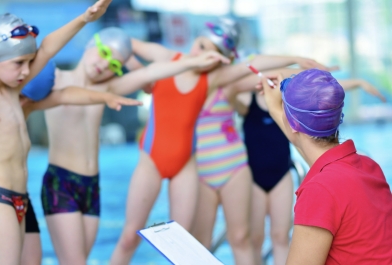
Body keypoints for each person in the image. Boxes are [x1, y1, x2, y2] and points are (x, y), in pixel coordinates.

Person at [111, 17, 335, 264]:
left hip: (219, 165)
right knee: (186, 242)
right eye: (200, 45)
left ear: (221, 59)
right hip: (186, 166)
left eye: (211, 51)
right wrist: (138, 72)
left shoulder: (218, 81)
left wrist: (297, 61)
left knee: (229, 237)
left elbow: (254, 66)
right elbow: (123, 43)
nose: (200, 53)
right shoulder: (169, 61)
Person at [29, 27, 229, 265]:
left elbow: (152, 72)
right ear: (89, 45)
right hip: (60, 183)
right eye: (102, 53)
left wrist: (192, 62)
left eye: (114, 64)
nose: (104, 65)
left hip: (91, 186)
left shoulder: (107, 88)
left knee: (79, 259)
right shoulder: (54, 79)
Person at [0, 1, 112, 264]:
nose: (27, 71)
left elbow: (46, 47)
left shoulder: (12, 90)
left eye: (29, 62)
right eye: (19, 63)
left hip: (20, 198)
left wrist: (84, 19)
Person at [237, 68, 387, 265]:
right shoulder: (369, 167)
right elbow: (306, 144)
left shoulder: (319, 191)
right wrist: (277, 109)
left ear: (292, 123)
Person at [20, 59, 141, 265]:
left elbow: (65, 95)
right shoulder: (2, 100)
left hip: (22, 199)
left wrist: (105, 97)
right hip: (9, 194)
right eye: (18, 65)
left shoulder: (27, 106)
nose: (22, 71)